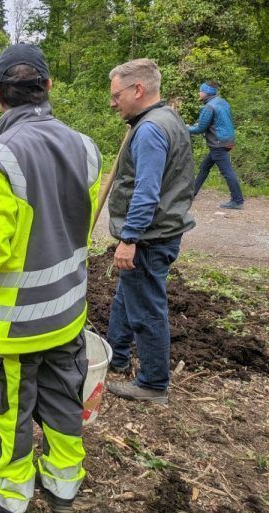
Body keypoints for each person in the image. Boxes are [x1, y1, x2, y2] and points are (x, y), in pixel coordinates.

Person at [0, 43, 102, 513]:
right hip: (69, 311)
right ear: (48, 87)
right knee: (62, 401)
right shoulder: (86, 147)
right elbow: (75, 225)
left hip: (13, 326)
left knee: (11, 410)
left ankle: (10, 495)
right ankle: (63, 485)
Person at [105, 58, 195, 405]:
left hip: (149, 237)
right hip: (160, 231)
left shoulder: (150, 130)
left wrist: (129, 239)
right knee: (127, 298)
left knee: (146, 309)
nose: (114, 103)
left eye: (117, 95)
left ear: (138, 90)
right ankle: (116, 356)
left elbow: (146, 191)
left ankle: (154, 383)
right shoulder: (168, 118)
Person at [189, 81, 244, 209]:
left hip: (218, 143)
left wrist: (184, 128)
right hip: (227, 140)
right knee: (204, 166)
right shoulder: (222, 102)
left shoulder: (209, 107)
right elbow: (217, 122)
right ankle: (192, 193)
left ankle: (237, 200)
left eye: (200, 91)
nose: (199, 93)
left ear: (206, 92)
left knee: (227, 172)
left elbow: (200, 129)